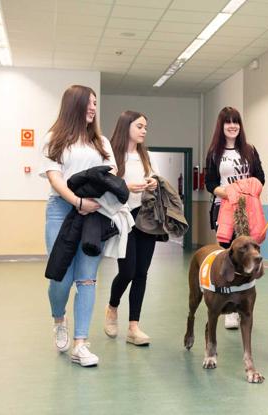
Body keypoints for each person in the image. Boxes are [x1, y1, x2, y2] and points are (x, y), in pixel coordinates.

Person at [40, 85, 116, 366]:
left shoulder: (102, 143)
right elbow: (54, 177)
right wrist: (76, 201)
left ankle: (80, 344)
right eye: (88, 103)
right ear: (74, 105)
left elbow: (112, 174)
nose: (93, 108)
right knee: (60, 277)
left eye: (95, 103)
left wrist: (94, 201)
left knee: (87, 278)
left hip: (94, 212)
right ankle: (59, 318)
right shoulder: (54, 139)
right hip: (61, 210)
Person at [204, 106, 265, 330]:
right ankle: (229, 308)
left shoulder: (249, 150)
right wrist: (229, 193)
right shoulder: (214, 153)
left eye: (236, 122)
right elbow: (210, 184)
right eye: (228, 122)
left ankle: (243, 304)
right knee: (229, 257)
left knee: (249, 256)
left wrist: (246, 191)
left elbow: (260, 177)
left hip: (249, 211)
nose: (233, 126)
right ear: (221, 126)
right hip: (224, 210)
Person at [104, 111, 159, 346]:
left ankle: (133, 327)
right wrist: (126, 186)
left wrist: (154, 182)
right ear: (126, 126)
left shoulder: (145, 156)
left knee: (141, 272)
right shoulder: (111, 155)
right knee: (127, 271)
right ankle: (112, 307)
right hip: (122, 218)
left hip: (145, 218)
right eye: (139, 126)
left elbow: (156, 177)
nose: (144, 130)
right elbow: (105, 183)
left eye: (145, 126)